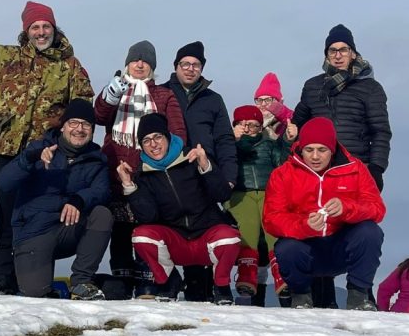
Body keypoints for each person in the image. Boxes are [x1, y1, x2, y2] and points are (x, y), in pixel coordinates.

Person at [0, 0, 94, 295]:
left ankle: (32, 277)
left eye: (46, 26)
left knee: (41, 215)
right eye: (35, 27)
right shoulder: (7, 59)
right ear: (26, 31)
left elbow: (83, 107)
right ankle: (2, 278)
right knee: (8, 216)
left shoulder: (70, 67)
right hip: (9, 151)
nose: (41, 32)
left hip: (49, 156)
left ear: (54, 29)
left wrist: (63, 144)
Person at [293, 24, 391, 308]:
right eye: (332, 50)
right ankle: (322, 298)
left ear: (353, 53)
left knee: (360, 229)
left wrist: (376, 169)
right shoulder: (313, 86)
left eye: (343, 50)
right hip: (317, 170)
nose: (338, 55)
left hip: (356, 169)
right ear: (326, 55)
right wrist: (289, 129)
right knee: (318, 226)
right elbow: (299, 121)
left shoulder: (369, 88)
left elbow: (381, 131)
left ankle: (361, 293)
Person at [93, 41, 186, 297]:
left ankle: (150, 278)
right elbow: (99, 117)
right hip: (116, 168)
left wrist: (164, 161)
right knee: (120, 229)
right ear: (128, 64)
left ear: (152, 67)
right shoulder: (116, 89)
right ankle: (122, 280)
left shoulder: (164, 95)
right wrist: (108, 96)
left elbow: (177, 132)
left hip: (149, 172)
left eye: (146, 61)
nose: (140, 64)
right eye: (136, 60)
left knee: (147, 225)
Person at [262, 117, 385, 310]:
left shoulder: (355, 169)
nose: (315, 156)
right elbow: (272, 218)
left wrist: (346, 208)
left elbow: (377, 208)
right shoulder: (282, 174)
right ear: (300, 148)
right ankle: (301, 297)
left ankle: (358, 296)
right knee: (286, 247)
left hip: (341, 247)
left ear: (332, 149)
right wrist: (304, 225)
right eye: (309, 150)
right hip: (306, 248)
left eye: (322, 150)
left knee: (370, 231)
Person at [0, 99, 112, 300]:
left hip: (67, 229)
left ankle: (81, 283)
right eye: (74, 123)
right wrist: (29, 158)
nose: (79, 129)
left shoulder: (96, 159)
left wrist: (79, 199)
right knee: (35, 294)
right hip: (34, 231)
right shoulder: (38, 149)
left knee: (102, 214)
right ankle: (36, 280)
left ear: (92, 130)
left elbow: (102, 190)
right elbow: (4, 184)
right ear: (63, 126)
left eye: (86, 124)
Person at [121, 113, 240, 304]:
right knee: (141, 235)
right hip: (176, 243)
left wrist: (206, 165)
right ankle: (168, 282)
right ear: (141, 145)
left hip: (206, 238)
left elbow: (222, 194)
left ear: (167, 137)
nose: (153, 144)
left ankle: (222, 287)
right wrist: (130, 186)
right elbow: (148, 217)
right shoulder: (142, 174)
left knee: (229, 237)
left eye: (158, 137)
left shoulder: (191, 157)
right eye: (146, 140)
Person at [161, 41, 237, 300]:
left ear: (202, 68)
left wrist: (228, 176)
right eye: (185, 64)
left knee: (203, 228)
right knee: (173, 226)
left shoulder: (212, 99)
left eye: (196, 65)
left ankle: (200, 291)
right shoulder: (163, 93)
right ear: (176, 66)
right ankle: (167, 283)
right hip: (172, 173)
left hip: (206, 171)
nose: (190, 69)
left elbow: (225, 139)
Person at [227, 104, 293, 300]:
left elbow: (283, 163)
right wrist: (233, 140)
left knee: (272, 225)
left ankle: (282, 273)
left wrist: (288, 142)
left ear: (261, 127)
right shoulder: (228, 144)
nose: (248, 129)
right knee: (248, 226)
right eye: (243, 125)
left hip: (267, 191)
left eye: (254, 125)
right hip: (240, 192)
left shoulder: (268, 144)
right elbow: (223, 162)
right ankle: (247, 274)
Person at [253, 72, 295, 140]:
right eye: (259, 100)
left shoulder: (285, 124)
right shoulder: (251, 123)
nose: (263, 104)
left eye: (268, 100)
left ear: (279, 102)